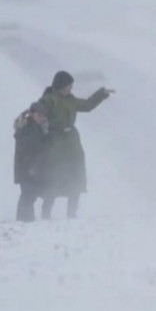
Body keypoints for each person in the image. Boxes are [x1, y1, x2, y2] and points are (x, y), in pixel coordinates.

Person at [39, 70, 113, 219]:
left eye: (71, 86)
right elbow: (38, 115)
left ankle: (72, 213)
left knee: (75, 176)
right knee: (55, 177)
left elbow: (87, 105)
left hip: (72, 142)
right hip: (55, 142)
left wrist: (102, 94)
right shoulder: (48, 100)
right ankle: (46, 212)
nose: (70, 88)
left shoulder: (71, 100)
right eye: (68, 85)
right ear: (61, 85)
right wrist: (45, 126)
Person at [13, 101, 51, 222]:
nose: (41, 118)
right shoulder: (27, 128)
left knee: (31, 195)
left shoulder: (36, 127)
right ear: (32, 114)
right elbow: (29, 148)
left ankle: (26, 221)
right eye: (39, 115)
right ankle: (23, 221)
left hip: (32, 167)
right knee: (28, 195)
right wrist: (32, 166)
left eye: (43, 115)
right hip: (27, 167)